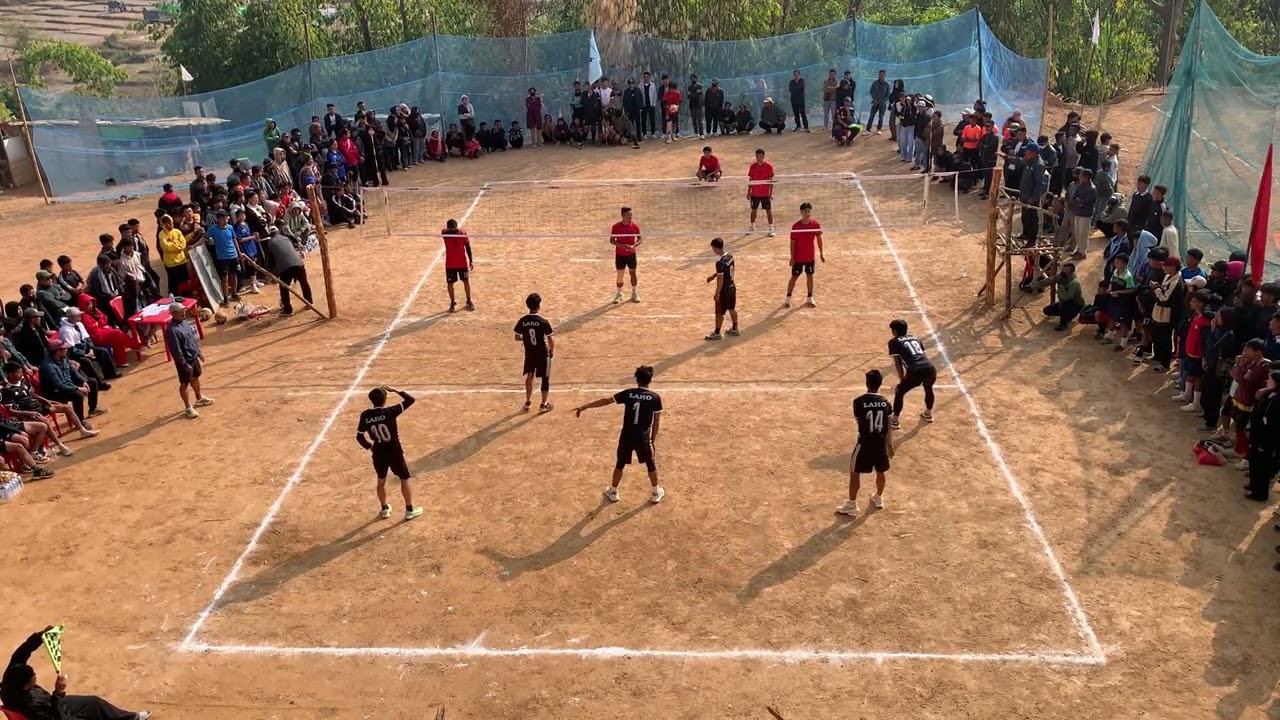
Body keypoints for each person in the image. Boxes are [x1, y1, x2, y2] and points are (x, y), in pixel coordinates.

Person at [1, 626, 149, 720]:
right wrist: (59, 692)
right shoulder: (31, 706)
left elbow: (21, 653)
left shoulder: (12, 675)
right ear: (26, 686)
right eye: (33, 677)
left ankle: (130, 718)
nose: (35, 676)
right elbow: (60, 718)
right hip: (55, 713)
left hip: (51, 704)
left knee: (94, 703)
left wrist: (40, 636)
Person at [574, 365, 665, 504]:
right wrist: (652, 440)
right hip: (643, 437)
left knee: (620, 463)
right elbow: (656, 421)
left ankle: (613, 491)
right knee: (650, 463)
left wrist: (584, 406)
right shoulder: (655, 398)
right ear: (650, 379)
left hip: (627, 436)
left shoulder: (628, 393)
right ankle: (656, 492)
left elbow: (606, 401)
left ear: (637, 379)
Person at [354, 385, 423, 521]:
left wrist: (370, 447)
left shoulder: (365, 415)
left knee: (381, 481)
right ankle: (409, 510)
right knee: (404, 478)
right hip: (394, 452)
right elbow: (410, 400)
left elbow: (359, 436)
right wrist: (395, 390)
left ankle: (384, 509)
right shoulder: (390, 411)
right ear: (384, 399)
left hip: (378, 453)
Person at [838, 369, 894, 516]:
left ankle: (852, 504)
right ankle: (879, 497)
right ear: (880, 384)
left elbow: (859, 421)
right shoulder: (886, 403)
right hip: (880, 442)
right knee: (881, 470)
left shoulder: (858, 402)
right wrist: (889, 445)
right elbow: (889, 425)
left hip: (864, 442)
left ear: (867, 383)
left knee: (855, 471)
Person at [163, 302, 213, 419]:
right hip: (184, 361)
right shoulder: (171, 330)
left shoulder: (185, 322)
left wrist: (198, 352)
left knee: (195, 377)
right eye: (181, 312)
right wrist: (184, 364)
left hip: (193, 356)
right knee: (184, 383)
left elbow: (192, 339)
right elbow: (176, 350)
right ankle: (187, 407)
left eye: (184, 311)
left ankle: (199, 398)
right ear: (173, 313)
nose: (184, 313)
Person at [39, 340, 104, 428]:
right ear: (58, 351)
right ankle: (80, 421)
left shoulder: (64, 358)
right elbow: (59, 386)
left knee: (92, 382)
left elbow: (73, 372)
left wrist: (83, 381)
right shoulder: (48, 367)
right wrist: (78, 388)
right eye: (64, 348)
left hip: (67, 385)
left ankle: (93, 409)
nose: (67, 350)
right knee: (77, 395)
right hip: (55, 393)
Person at [887, 318, 937, 427]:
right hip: (930, 368)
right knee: (928, 388)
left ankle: (894, 420)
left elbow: (898, 363)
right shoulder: (915, 338)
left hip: (916, 371)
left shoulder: (894, 342)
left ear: (894, 331)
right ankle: (928, 414)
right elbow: (922, 354)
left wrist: (902, 380)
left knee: (899, 391)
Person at [514, 293, 554, 413]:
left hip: (530, 354)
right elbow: (550, 340)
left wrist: (525, 338)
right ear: (539, 306)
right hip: (542, 353)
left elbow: (517, 337)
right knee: (545, 378)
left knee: (529, 375)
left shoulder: (523, 321)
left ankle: (528, 401)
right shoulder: (543, 322)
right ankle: (543, 404)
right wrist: (551, 351)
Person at [263, 224, 313, 316]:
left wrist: (270, 273)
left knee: (284, 288)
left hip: (285, 267)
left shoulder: (270, 243)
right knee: (304, 283)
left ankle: (288, 310)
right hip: (298, 263)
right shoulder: (286, 238)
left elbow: (270, 261)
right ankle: (309, 302)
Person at [1245, 372, 1280, 502]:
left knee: (1262, 467)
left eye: (1270, 379)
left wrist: (1263, 444)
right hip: (1257, 435)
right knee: (1254, 462)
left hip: (1265, 440)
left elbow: (1273, 426)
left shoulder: (1277, 401)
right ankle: (1253, 485)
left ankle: (1259, 493)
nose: (1267, 381)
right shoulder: (1268, 395)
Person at [785, 202, 824, 308]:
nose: (807, 214)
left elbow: (819, 239)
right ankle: (788, 297)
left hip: (809, 257)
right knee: (794, 277)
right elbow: (792, 243)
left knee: (810, 276)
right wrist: (792, 257)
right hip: (798, 258)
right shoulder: (796, 226)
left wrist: (821, 253)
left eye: (808, 211)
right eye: (805, 211)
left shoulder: (815, 224)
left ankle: (810, 297)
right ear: (801, 212)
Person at [1032, 262, 1084, 331]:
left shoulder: (1074, 284)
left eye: (1066, 270)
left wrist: (1061, 287)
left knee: (1065, 304)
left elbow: (1066, 298)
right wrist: (1032, 286)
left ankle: (1063, 324)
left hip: (1075, 305)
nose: (1063, 271)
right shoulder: (1061, 277)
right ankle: (1066, 315)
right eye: (1063, 269)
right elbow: (1048, 281)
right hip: (1064, 302)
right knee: (1047, 310)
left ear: (1071, 272)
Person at [704, 237, 738, 340]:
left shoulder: (719, 262)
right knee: (732, 309)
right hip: (732, 288)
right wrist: (713, 276)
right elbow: (724, 271)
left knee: (719, 313)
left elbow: (721, 278)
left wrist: (717, 292)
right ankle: (735, 329)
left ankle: (717, 333)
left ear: (715, 248)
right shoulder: (730, 256)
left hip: (724, 291)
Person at [610, 206, 642, 304]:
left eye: (631, 215)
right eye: (628, 215)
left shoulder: (635, 226)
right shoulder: (616, 227)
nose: (630, 217)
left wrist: (634, 245)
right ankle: (619, 293)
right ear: (623, 215)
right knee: (620, 275)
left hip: (631, 254)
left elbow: (640, 239)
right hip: (620, 255)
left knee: (633, 273)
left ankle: (634, 293)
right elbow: (612, 240)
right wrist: (622, 246)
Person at [747, 149, 775, 235]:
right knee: (753, 211)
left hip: (765, 194)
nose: (758, 158)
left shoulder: (769, 166)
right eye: (757, 156)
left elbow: (771, 182)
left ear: (763, 156)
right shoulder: (753, 166)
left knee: (768, 211)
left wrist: (770, 194)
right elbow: (750, 180)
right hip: (754, 194)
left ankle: (771, 228)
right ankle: (752, 227)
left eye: (760, 156)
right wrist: (748, 192)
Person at [868, 69, 889, 134]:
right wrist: (874, 99)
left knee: (881, 117)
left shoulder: (886, 84)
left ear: (885, 75)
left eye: (882, 74)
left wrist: (884, 100)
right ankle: (868, 129)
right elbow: (871, 91)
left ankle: (879, 129)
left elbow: (888, 93)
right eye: (880, 74)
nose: (881, 76)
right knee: (871, 116)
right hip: (875, 103)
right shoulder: (875, 83)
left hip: (882, 104)